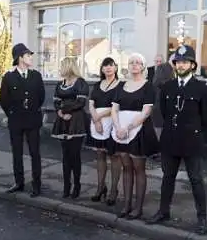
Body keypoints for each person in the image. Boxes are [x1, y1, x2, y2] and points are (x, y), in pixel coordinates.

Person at [146, 45, 207, 235]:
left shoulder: (201, 87)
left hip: (192, 141)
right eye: (178, 62)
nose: (181, 65)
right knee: (168, 178)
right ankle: (163, 211)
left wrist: (194, 131)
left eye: (185, 62)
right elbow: (165, 112)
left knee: (196, 179)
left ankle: (202, 218)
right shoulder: (167, 87)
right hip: (170, 140)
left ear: (192, 65)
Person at [110, 53, 160, 219]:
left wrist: (129, 127)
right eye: (131, 62)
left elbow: (146, 112)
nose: (134, 65)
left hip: (138, 131)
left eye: (138, 62)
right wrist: (118, 127)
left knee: (139, 169)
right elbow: (114, 109)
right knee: (126, 168)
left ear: (143, 66)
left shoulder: (148, 87)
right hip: (121, 131)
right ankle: (126, 205)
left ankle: (138, 208)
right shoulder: (121, 85)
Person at [0, 43, 45, 197]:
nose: (30, 58)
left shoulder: (36, 76)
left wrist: (32, 109)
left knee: (35, 153)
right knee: (17, 153)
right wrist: (11, 113)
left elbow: (41, 96)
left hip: (32, 120)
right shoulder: (9, 77)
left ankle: (37, 185)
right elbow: (3, 98)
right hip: (16, 121)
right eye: (27, 55)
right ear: (20, 58)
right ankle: (19, 183)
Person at [51, 57, 89, 198]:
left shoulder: (80, 83)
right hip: (63, 121)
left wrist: (66, 111)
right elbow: (56, 101)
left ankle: (77, 185)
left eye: (61, 65)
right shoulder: (60, 84)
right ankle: (67, 186)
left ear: (68, 66)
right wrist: (60, 113)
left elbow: (80, 102)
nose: (60, 68)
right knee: (65, 156)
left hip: (76, 121)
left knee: (75, 155)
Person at [86, 57, 121, 205]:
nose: (108, 68)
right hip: (97, 124)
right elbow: (91, 104)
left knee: (114, 156)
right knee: (100, 155)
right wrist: (95, 119)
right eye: (105, 66)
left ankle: (113, 190)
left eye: (111, 65)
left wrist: (98, 117)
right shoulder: (96, 85)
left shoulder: (121, 85)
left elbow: (117, 106)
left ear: (116, 68)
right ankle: (101, 187)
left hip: (112, 123)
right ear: (101, 69)